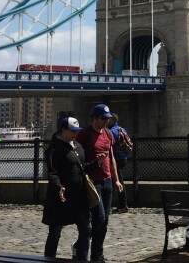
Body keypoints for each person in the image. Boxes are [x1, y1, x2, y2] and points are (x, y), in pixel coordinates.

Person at [43, 116, 100, 260]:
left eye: (77, 131)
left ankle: (81, 258)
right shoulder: (55, 148)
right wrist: (59, 186)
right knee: (55, 231)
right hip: (61, 198)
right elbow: (52, 172)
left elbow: (82, 168)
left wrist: (96, 163)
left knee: (86, 229)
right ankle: (48, 259)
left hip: (79, 197)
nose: (75, 133)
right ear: (63, 130)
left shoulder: (78, 146)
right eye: (72, 131)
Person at [76, 104, 123, 263]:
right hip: (92, 182)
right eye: (103, 119)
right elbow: (79, 158)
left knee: (105, 221)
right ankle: (81, 245)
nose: (105, 122)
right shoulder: (84, 135)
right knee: (100, 217)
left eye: (107, 119)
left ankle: (97, 256)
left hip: (107, 180)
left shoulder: (109, 134)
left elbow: (111, 158)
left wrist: (116, 179)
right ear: (94, 118)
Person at [107, 113, 130, 213]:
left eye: (108, 119)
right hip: (123, 158)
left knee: (115, 182)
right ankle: (121, 204)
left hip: (115, 160)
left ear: (112, 120)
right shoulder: (122, 129)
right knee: (117, 181)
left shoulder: (111, 132)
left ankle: (121, 205)